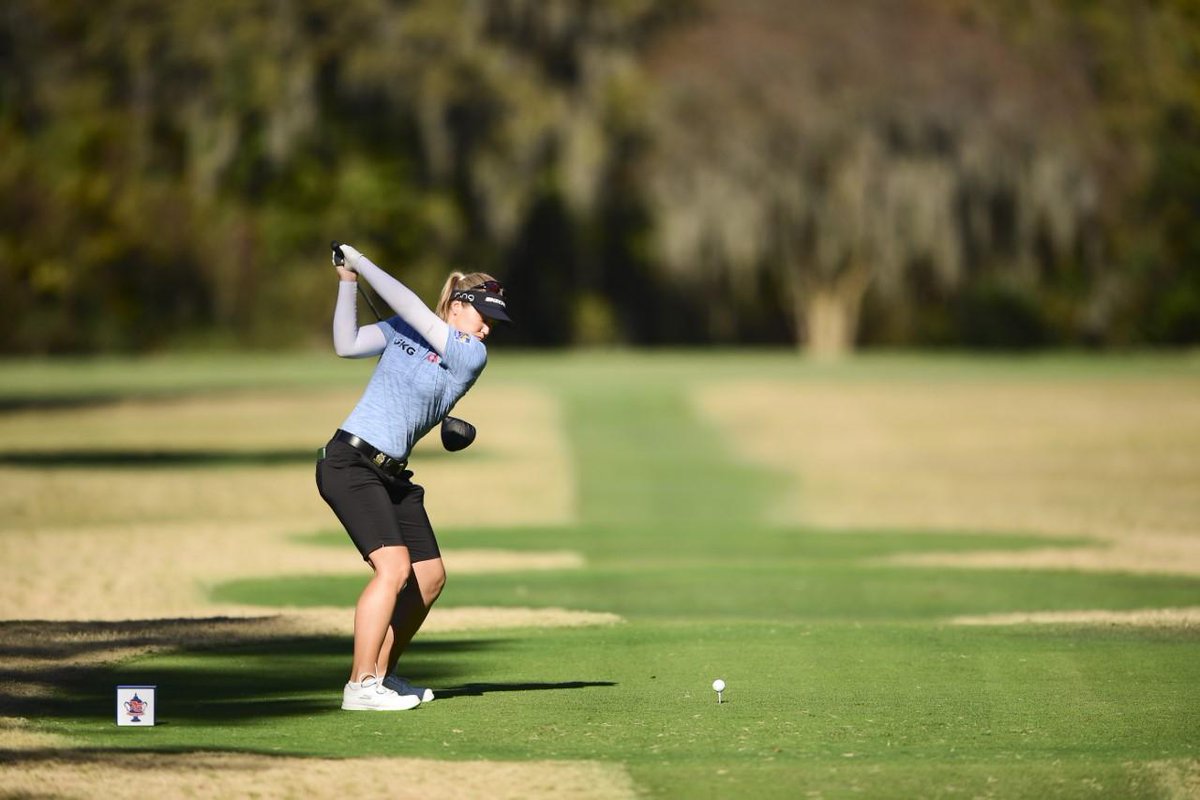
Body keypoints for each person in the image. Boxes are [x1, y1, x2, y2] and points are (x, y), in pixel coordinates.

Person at [316, 243, 510, 711]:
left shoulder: (469, 355)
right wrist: (349, 282)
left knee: (428, 576)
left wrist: (362, 264)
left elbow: (415, 310)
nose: (487, 330)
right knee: (394, 568)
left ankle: (383, 675)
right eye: (482, 318)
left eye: (492, 325)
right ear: (459, 307)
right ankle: (360, 685)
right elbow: (347, 345)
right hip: (350, 462)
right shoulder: (409, 328)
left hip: (392, 475)